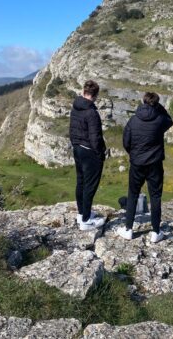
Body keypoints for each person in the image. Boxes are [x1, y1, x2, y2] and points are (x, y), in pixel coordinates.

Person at [117, 92, 173, 243]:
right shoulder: (160, 120)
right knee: (155, 196)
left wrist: (134, 154)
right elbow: (170, 121)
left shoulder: (133, 121)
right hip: (155, 164)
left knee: (133, 193)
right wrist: (159, 107)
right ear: (156, 103)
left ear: (143, 102)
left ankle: (128, 229)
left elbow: (126, 142)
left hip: (137, 163)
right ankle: (155, 232)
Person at [69, 80, 107, 231]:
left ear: (83, 92)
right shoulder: (91, 113)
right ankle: (86, 220)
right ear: (96, 95)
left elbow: (72, 129)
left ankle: (81, 213)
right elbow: (95, 138)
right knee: (90, 186)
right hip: (89, 151)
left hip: (77, 148)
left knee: (81, 181)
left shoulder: (75, 107)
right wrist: (101, 153)